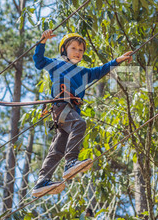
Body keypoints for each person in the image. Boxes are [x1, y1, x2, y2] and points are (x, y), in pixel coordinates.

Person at [32, 29, 132, 197]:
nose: (78, 53)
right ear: (64, 50)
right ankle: (71, 162)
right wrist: (42, 41)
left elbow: (101, 70)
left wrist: (118, 60)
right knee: (79, 123)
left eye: (81, 50)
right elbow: (39, 61)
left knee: (57, 149)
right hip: (61, 108)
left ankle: (42, 181)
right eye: (74, 48)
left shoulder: (83, 73)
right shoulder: (56, 65)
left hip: (68, 113)